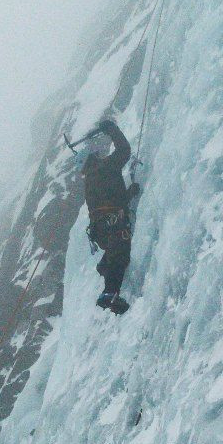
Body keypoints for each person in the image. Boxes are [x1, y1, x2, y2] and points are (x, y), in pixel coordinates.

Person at [80, 119, 140, 315]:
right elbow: (124, 150)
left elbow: (111, 198)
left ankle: (105, 267)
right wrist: (113, 130)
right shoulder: (104, 167)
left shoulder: (90, 177)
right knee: (120, 253)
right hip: (111, 224)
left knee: (115, 253)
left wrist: (130, 193)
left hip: (100, 229)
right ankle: (109, 293)